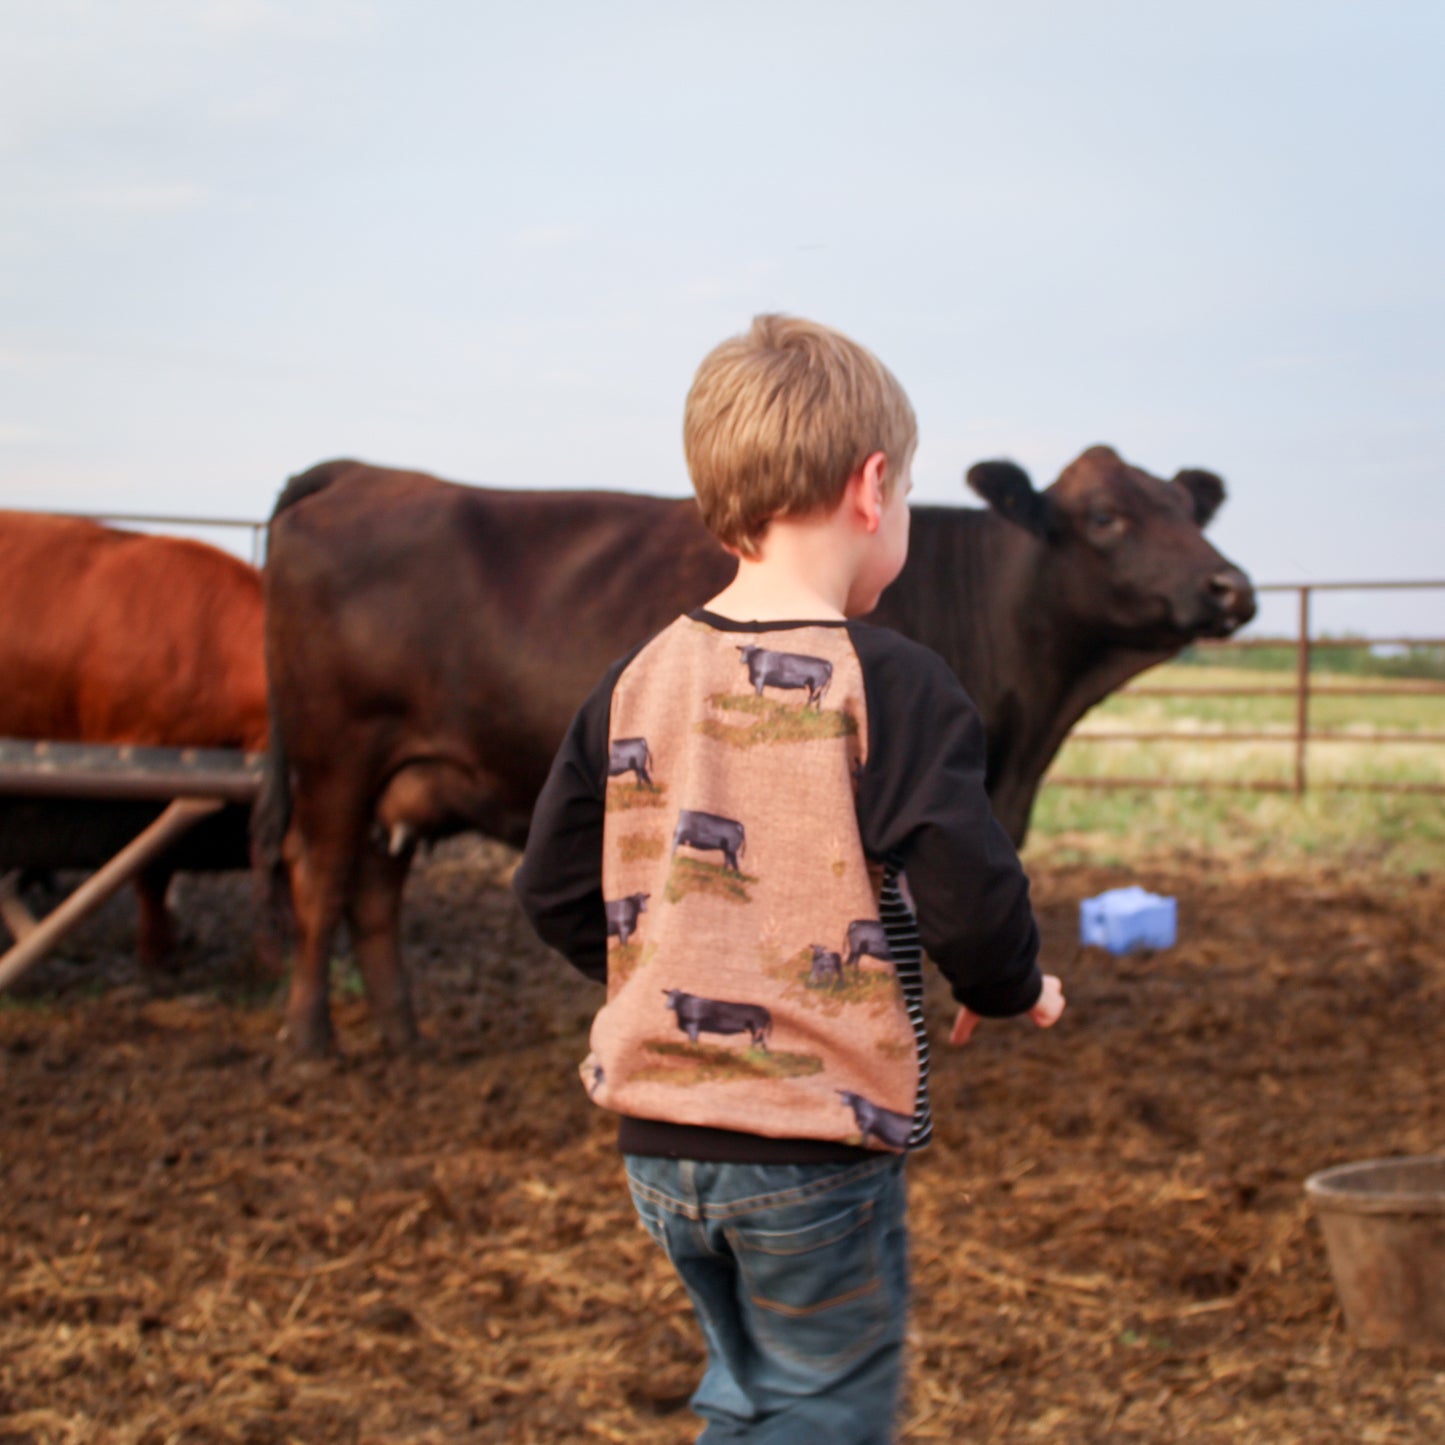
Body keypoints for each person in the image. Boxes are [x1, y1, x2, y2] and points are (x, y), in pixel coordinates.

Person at [513, 313, 1065, 1443]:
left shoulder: (636, 676)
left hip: (659, 1147)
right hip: (810, 1147)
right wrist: (1011, 986)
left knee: (752, 1395)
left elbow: (550, 888)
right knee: (818, 1415)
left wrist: (664, 973)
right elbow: (969, 879)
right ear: (872, 490)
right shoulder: (892, 681)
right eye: (905, 493)